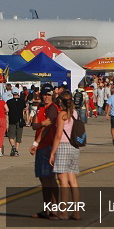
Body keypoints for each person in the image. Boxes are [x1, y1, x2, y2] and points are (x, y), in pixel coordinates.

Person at [49, 91, 81, 220]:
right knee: (73, 180)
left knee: (62, 180)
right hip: (74, 147)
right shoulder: (74, 113)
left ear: (61, 101)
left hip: (63, 146)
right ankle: (77, 212)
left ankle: (63, 211)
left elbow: (58, 135)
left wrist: (52, 152)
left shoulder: (62, 114)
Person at [29, 85, 60, 219]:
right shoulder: (41, 108)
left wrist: (36, 142)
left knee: (50, 179)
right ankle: (47, 209)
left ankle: (54, 209)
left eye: (48, 94)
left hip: (48, 146)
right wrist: (41, 124)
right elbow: (34, 125)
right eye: (44, 95)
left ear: (52, 95)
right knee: (43, 179)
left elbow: (49, 125)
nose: (46, 97)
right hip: (41, 147)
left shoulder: (53, 108)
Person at [6, 87, 26, 157]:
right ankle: (16, 150)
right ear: (18, 93)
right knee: (19, 136)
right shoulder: (22, 101)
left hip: (12, 120)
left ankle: (13, 146)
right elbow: (24, 110)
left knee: (11, 136)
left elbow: (7, 110)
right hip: (20, 120)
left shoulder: (9, 102)